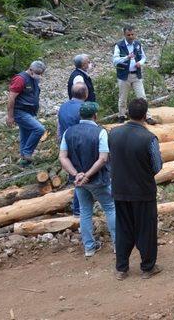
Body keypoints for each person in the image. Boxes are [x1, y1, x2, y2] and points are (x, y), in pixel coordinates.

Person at [109, 98, 163, 280]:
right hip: (143, 191)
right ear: (145, 115)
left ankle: (121, 268)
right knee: (146, 229)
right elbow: (157, 166)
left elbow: (110, 160)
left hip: (119, 189)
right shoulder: (149, 138)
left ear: (128, 113)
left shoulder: (113, 133)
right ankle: (148, 267)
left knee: (123, 228)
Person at [58, 102, 116, 257]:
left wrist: (77, 174)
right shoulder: (100, 132)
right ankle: (118, 244)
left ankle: (89, 247)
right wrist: (88, 175)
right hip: (98, 180)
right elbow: (103, 159)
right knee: (110, 208)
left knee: (85, 211)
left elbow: (62, 157)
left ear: (80, 116)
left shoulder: (68, 132)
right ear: (95, 115)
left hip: (79, 182)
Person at [112, 25, 156, 125]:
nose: (131, 37)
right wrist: (127, 57)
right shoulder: (119, 45)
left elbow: (144, 57)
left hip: (136, 74)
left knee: (142, 96)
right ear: (124, 35)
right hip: (124, 75)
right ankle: (122, 116)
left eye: (132, 34)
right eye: (129, 35)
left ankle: (148, 116)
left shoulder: (138, 44)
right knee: (123, 97)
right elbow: (115, 61)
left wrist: (140, 63)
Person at [6, 60, 47, 167]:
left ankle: (24, 162)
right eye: (37, 73)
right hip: (20, 111)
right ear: (30, 69)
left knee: (25, 135)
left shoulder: (34, 79)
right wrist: (10, 116)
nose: (39, 76)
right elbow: (11, 98)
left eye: (41, 73)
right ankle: (28, 153)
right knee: (39, 129)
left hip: (30, 112)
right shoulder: (20, 79)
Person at [58, 82, 89, 217]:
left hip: (66, 144)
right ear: (86, 94)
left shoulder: (63, 107)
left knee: (76, 175)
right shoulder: (83, 109)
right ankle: (78, 209)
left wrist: (60, 143)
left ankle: (80, 206)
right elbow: (88, 129)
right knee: (81, 176)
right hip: (80, 145)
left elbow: (59, 128)